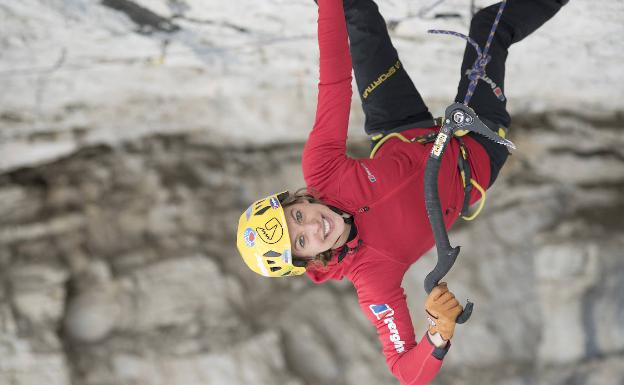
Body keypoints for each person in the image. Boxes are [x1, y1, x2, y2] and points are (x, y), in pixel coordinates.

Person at [236, 0, 567, 384]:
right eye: (302, 241)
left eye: (296, 217)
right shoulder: (372, 278)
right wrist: (438, 336)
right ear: (309, 259)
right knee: (489, 27)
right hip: (472, 154)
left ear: (298, 200)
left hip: (402, 129)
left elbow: (334, 81)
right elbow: (406, 373)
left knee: (354, 12)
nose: (312, 226)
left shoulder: (322, 171)